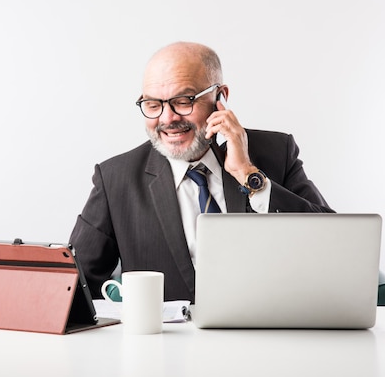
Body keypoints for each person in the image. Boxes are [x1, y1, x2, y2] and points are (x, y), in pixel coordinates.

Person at [69, 41, 333, 302]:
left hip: (270, 334)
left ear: (220, 97)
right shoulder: (116, 178)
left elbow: (332, 246)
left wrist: (248, 175)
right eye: (152, 104)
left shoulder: (276, 152)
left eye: (183, 101)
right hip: (168, 342)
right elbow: (73, 284)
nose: (167, 119)